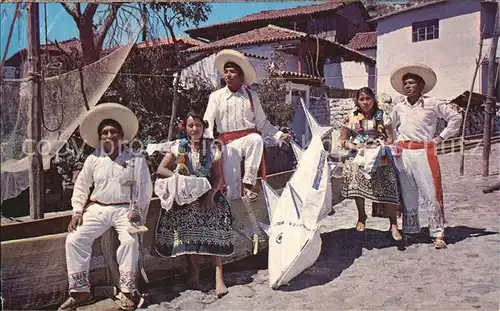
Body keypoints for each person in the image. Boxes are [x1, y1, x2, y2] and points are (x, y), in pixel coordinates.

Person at [59, 103, 153, 310]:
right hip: (98, 208)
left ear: (121, 135)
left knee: (129, 241)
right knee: (74, 239)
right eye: (104, 133)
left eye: (112, 132)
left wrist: (137, 213)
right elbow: (82, 186)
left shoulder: (136, 158)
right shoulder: (93, 158)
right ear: (100, 137)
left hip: (125, 210)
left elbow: (144, 188)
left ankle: (128, 291)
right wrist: (77, 212)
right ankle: (81, 292)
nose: (108, 136)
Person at [153, 110, 233, 298]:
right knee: (185, 220)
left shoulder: (212, 147)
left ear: (203, 127)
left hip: (208, 193)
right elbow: (160, 169)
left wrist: (211, 195)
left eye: (198, 124)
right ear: (186, 128)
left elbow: (218, 176)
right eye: (191, 125)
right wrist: (181, 178)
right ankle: (194, 271)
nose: (195, 128)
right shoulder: (178, 147)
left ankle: (218, 276)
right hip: (186, 196)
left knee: (215, 221)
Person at [203, 49, 292, 202]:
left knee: (256, 139)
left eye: (232, 72)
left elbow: (262, 123)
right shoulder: (216, 97)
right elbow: (207, 122)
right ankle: (234, 219)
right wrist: (210, 143)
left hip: (247, 139)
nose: (228, 75)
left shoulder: (252, 96)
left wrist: (279, 135)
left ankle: (249, 183)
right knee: (232, 187)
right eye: (226, 72)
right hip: (227, 144)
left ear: (241, 76)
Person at [390, 64, 462, 249]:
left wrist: (439, 138)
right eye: (405, 83)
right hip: (403, 154)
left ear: (421, 86)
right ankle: (411, 231)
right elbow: (391, 126)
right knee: (408, 194)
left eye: (412, 82)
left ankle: (437, 233)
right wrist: (394, 143)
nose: (407, 86)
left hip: (424, 152)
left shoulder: (433, 104)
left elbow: (456, 118)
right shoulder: (399, 107)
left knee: (430, 193)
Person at [340, 87, 402, 241]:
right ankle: (362, 215)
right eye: (361, 99)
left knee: (389, 182)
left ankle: (393, 224)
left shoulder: (382, 116)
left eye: (368, 98)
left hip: (379, 153)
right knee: (354, 174)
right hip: (359, 154)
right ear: (357, 101)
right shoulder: (351, 117)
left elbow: (390, 138)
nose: (365, 102)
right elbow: (343, 140)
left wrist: (381, 149)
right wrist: (354, 147)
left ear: (373, 99)